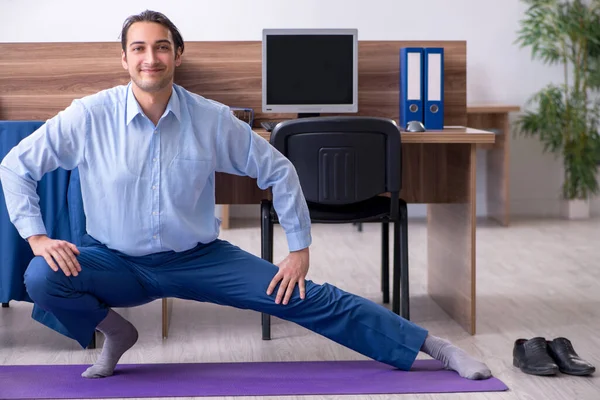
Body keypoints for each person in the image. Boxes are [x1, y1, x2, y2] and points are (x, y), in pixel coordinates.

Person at [0, 10, 491, 380]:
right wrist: (38, 237)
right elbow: (16, 165)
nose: (151, 58)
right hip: (113, 259)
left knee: (306, 297)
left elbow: (279, 170)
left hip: (198, 257)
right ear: (123, 57)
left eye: (163, 47)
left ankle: (432, 346)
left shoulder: (211, 118)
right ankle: (116, 331)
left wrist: (298, 250)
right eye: (140, 48)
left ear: (178, 54)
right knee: (43, 275)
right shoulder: (89, 116)